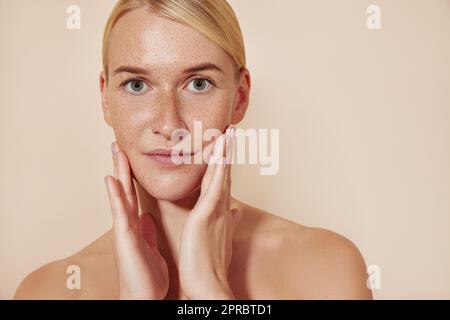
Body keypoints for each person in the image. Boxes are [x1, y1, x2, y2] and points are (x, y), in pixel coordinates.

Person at [14, 0, 372, 300]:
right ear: (105, 98)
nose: (169, 125)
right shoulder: (46, 291)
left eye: (198, 84)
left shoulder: (326, 269)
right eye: (137, 85)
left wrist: (210, 289)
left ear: (240, 98)